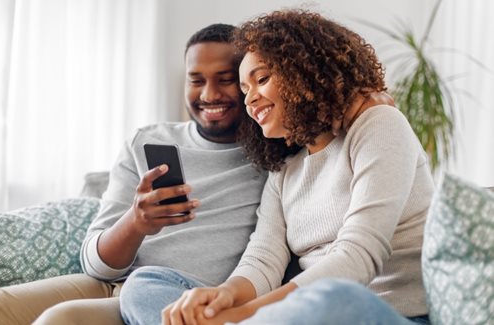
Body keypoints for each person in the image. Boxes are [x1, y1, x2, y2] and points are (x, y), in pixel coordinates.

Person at [0, 22, 388, 325]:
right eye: (196, 80)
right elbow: (94, 263)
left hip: (192, 294)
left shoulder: (278, 150)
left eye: (227, 80)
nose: (209, 95)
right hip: (121, 282)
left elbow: (329, 134)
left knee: (59, 320)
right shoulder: (147, 141)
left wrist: (365, 99)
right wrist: (136, 223)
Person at [159, 9, 435, 325]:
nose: (250, 100)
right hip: (304, 315)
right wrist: (224, 296)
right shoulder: (284, 169)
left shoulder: (378, 125)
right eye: (245, 90)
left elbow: (357, 259)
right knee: (147, 285)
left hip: (380, 313)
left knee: (337, 296)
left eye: (261, 79)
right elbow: (262, 260)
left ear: (304, 72)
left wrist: (240, 316)